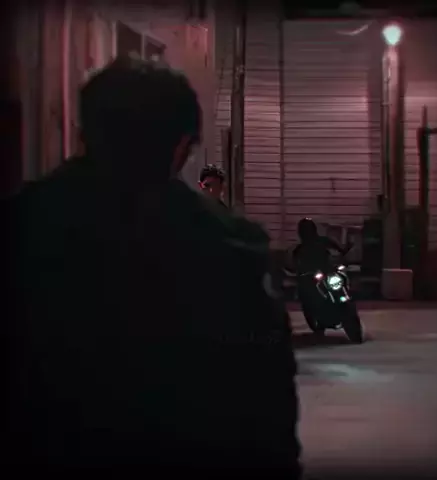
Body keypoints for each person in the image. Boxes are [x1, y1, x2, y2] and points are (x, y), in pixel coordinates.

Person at [5, 56, 300, 476]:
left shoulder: (22, 227)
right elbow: (267, 403)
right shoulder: (232, 247)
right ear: (181, 146)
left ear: (84, 132)